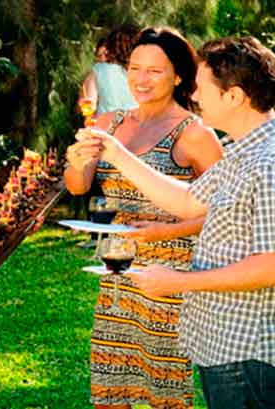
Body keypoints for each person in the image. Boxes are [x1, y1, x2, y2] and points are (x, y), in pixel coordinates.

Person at [81, 36, 275, 409]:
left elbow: (270, 265)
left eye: (202, 88)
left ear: (233, 96)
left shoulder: (267, 164)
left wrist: (180, 281)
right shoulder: (241, 152)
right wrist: (115, 152)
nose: (196, 96)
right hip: (222, 347)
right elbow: (186, 201)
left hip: (249, 355)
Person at [64, 27, 224, 409]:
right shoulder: (106, 124)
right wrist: (76, 163)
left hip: (172, 277)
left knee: (165, 391)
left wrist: (165, 231)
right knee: (110, 386)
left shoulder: (196, 134)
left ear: (179, 76)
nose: (141, 79)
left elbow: (225, 212)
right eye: (134, 68)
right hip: (118, 271)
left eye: (154, 71)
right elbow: (78, 187)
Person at [80, 24, 140, 115]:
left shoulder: (99, 69)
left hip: (106, 126)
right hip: (139, 127)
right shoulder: (144, 72)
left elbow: (88, 102)